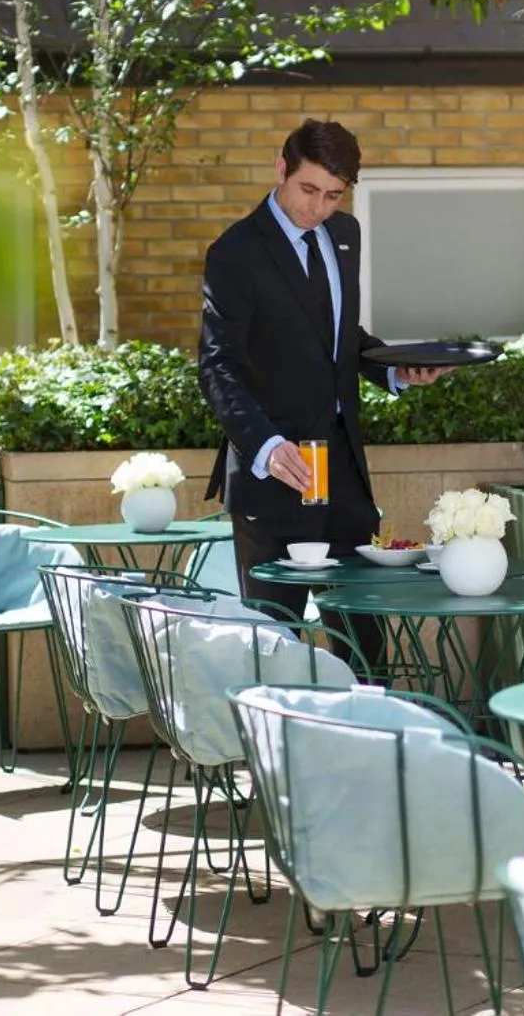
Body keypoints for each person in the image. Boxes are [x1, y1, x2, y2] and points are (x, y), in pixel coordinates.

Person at [197, 119, 445, 652]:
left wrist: (393, 369)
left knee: (364, 643)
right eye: (308, 189)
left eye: (334, 195)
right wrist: (266, 446)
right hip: (275, 479)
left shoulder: (344, 234)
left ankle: (372, 709)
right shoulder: (235, 252)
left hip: (345, 474)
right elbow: (217, 365)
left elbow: (337, 333)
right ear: (281, 169)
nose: (318, 208)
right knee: (275, 647)